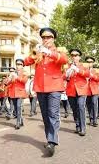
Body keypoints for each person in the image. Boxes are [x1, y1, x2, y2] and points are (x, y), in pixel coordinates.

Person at [24, 27, 68, 156]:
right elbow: (26, 62)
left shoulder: (59, 51)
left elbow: (64, 60)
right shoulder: (39, 51)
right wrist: (35, 53)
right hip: (40, 87)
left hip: (54, 86)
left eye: (48, 37)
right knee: (45, 115)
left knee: (52, 113)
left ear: (54, 38)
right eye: (43, 37)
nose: (46, 39)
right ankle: (50, 139)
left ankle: (52, 142)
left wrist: (48, 52)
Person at [66, 49, 90, 136]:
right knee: (74, 109)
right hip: (71, 90)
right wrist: (66, 74)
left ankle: (83, 128)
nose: (74, 57)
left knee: (80, 107)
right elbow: (63, 77)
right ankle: (78, 126)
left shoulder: (84, 65)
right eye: (72, 55)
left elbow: (88, 75)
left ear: (79, 57)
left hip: (81, 89)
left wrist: (77, 69)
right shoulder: (67, 66)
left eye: (76, 55)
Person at [6, 59, 28, 129]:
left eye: (20, 64)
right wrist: (8, 79)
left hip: (20, 92)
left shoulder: (24, 72)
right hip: (13, 93)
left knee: (19, 107)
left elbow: (24, 81)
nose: (18, 66)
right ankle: (21, 120)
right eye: (17, 64)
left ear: (22, 65)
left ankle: (18, 122)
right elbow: (7, 83)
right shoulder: (13, 72)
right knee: (16, 108)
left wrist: (17, 77)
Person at [85, 57, 99, 127]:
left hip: (95, 90)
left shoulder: (96, 70)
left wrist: (91, 75)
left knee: (94, 103)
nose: (89, 63)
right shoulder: (84, 70)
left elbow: (98, 79)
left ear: (93, 63)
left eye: (90, 62)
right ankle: (91, 119)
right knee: (88, 105)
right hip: (86, 90)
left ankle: (95, 120)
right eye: (87, 62)